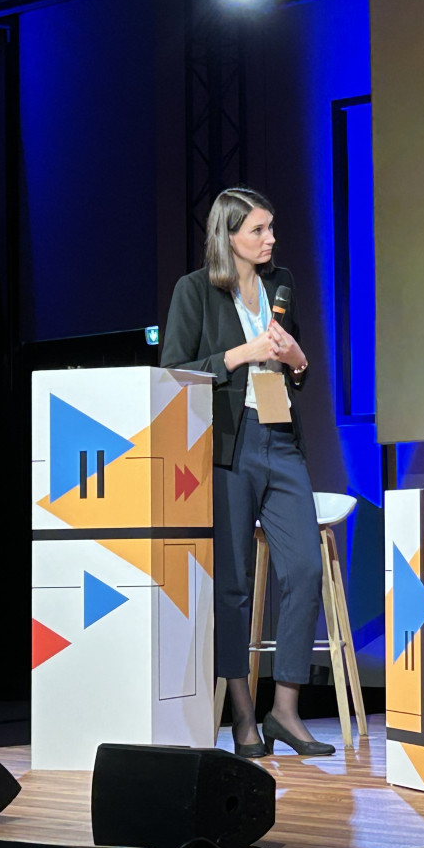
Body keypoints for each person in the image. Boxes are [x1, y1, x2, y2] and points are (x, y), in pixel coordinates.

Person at [161, 186, 333, 758]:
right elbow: (175, 373)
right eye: (259, 230)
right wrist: (241, 352)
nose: (270, 239)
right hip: (228, 448)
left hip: (281, 441)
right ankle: (242, 717)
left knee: (305, 569)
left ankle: (285, 708)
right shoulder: (194, 291)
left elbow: (299, 365)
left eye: (271, 227)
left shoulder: (280, 284)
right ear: (229, 235)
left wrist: (294, 358)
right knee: (232, 586)